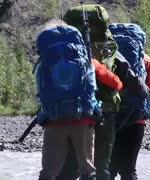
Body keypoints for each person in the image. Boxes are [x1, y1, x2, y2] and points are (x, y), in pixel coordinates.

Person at [56, 4, 149, 180]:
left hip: (63, 113)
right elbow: (134, 83)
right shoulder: (108, 48)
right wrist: (143, 90)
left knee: (66, 170)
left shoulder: (61, 49)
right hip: (103, 116)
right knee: (100, 168)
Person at [35, 19, 123, 180]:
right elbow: (116, 83)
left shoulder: (45, 62)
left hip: (53, 120)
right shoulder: (87, 60)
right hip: (83, 120)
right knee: (87, 170)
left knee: (48, 172)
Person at [108, 53, 150, 180]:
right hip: (135, 118)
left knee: (107, 170)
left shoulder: (104, 55)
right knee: (129, 171)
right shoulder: (142, 57)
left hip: (107, 118)